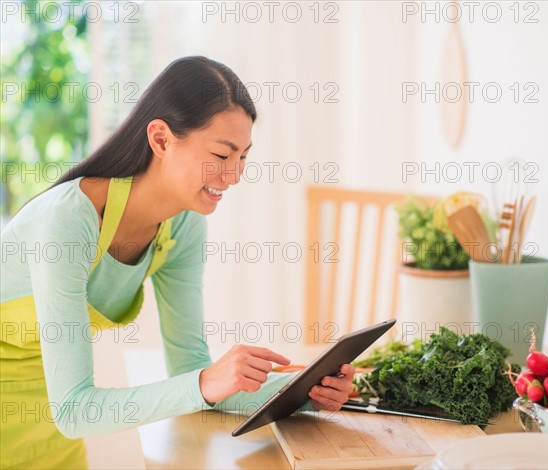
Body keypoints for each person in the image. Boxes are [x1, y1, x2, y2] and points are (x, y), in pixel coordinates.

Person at [0, 56, 355, 469]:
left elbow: (194, 374)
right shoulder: (67, 219)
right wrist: (206, 382)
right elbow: (77, 410)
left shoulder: (182, 225)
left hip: (52, 424)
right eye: (222, 155)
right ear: (162, 139)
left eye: (243, 157)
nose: (235, 174)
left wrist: (302, 391)